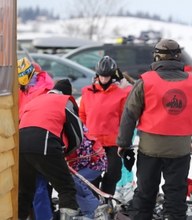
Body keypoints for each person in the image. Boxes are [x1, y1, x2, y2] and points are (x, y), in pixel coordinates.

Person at [116, 38, 192, 220]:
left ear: (156, 57)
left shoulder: (145, 82)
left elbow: (129, 114)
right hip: (180, 150)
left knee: (145, 194)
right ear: (178, 57)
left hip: (150, 149)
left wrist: (123, 144)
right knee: (176, 195)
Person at [18, 79, 83, 220]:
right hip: (45, 142)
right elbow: (77, 134)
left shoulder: (36, 100)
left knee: (25, 192)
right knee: (66, 187)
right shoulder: (65, 101)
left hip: (21, 145)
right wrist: (65, 153)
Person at [79, 55, 132, 199]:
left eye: (107, 76)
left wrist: (124, 140)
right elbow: (82, 115)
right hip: (93, 142)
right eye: (101, 76)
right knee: (93, 175)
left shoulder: (121, 93)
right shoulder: (88, 92)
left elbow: (124, 119)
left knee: (114, 173)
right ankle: (94, 201)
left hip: (113, 141)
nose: (103, 79)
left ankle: (107, 198)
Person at [17, 57, 55, 219]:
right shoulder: (23, 90)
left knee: (38, 186)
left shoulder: (43, 92)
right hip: (24, 143)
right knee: (33, 187)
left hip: (39, 144)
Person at [66, 126, 108, 219]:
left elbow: (84, 158)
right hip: (82, 164)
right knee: (71, 182)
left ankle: (93, 209)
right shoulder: (67, 135)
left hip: (96, 164)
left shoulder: (81, 138)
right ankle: (84, 207)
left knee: (76, 181)